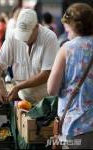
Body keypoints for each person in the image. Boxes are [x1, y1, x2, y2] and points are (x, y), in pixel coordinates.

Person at [47, 3, 93, 149]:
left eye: (67, 30)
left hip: (74, 127)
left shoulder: (67, 49)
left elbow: (52, 89)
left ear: (74, 27)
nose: (67, 34)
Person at [0, 8, 59, 104]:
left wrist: (19, 86)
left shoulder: (49, 38)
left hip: (46, 101)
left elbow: (47, 73)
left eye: (27, 36)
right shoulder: (12, 36)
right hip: (22, 99)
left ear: (36, 27)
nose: (24, 40)